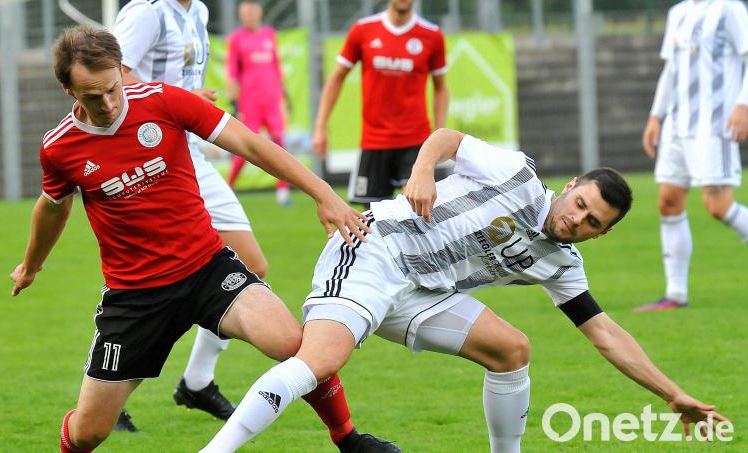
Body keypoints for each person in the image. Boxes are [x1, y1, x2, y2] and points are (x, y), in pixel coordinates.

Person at [201, 128, 728, 453]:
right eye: (580, 204)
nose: (577, 219)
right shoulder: (518, 175)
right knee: (319, 361)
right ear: (570, 188)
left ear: (602, 234)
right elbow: (448, 137)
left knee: (512, 350)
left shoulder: (561, 263)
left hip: (424, 292)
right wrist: (423, 170)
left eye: (593, 222)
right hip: (375, 251)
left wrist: (673, 395)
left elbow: (607, 334)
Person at [9, 25, 399, 453]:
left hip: (206, 269)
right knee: (89, 433)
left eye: (112, 89)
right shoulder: (59, 147)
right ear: (68, 90)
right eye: (92, 97)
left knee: (291, 343)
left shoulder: (163, 101)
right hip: (135, 297)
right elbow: (53, 207)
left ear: (122, 70)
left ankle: (349, 439)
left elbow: (250, 144)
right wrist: (31, 266)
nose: (107, 104)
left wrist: (323, 193)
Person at [112, 0, 259, 429]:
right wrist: (178, 99)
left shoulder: (199, 12)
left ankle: (196, 382)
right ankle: (110, 392)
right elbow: (111, 75)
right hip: (155, 154)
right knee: (158, 280)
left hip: (190, 150)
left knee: (250, 263)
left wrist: (190, 102)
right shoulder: (148, 12)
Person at [635, 0, 748, 311]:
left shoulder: (729, 9)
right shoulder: (679, 12)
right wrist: (655, 116)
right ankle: (675, 295)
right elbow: (670, 71)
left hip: (714, 125)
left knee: (718, 206)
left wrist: (743, 105)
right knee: (668, 202)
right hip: (676, 125)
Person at [312, 0, 449, 208]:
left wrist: (437, 136)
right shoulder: (363, 30)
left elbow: (440, 88)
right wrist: (320, 127)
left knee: (418, 212)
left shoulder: (432, 35)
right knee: (371, 218)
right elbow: (337, 77)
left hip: (414, 142)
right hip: (374, 142)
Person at [226, 0, 292, 206]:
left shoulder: (270, 34)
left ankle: (283, 191)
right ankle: (228, 188)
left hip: (271, 101)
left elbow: (276, 68)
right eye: (244, 13)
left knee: (280, 144)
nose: (248, 16)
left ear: (259, 12)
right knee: (245, 147)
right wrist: (235, 104)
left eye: (251, 12)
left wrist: (284, 100)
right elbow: (232, 74)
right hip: (250, 103)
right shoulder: (236, 39)